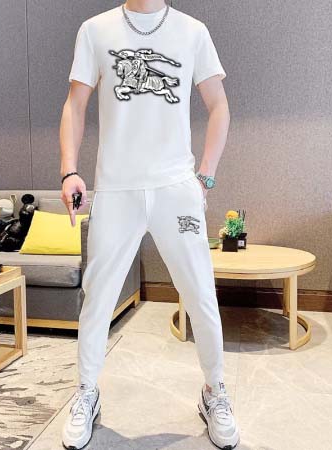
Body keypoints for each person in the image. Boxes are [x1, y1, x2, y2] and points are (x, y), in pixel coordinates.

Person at [59, 1, 239, 449]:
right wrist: (69, 170)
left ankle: (215, 391)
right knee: (98, 297)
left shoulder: (193, 31)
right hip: (116, 189)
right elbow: (75, 104)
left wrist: (205, 176)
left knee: (200, 293)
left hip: (175, 188)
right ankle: (86, 391)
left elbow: (219, 105)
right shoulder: (95, 30)